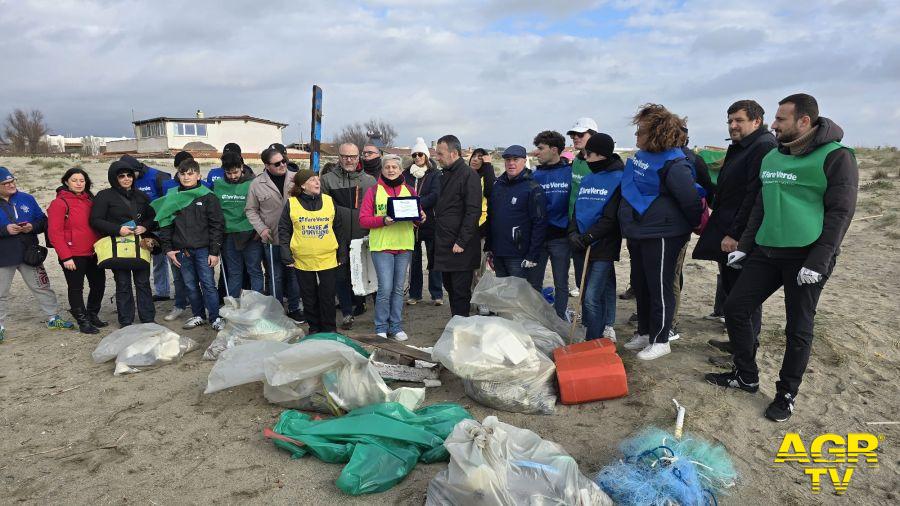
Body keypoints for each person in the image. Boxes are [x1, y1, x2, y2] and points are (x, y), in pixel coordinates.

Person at [706, 94, 858, 422]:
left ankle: (786, 393)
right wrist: (745, 245)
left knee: (798, 327)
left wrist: (819, 260)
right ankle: (746, 376)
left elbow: (840, 213)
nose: (773, 124)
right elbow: (761, 204)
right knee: (735, 308)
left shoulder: (837, 157)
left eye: (780, 119)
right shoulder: (774, 156)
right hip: (766, 249)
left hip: (806, 255)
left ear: (804, 121)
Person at [693, 100, 777, 359]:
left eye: (738, 120)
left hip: (740, 234)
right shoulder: (741, 146)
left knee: (743, 296)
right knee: (732, 290)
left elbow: (754, 195)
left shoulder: (763, 147)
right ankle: (737, 342)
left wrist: (736, 235)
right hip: (727, 226)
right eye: (730, 121)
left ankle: (744, 351)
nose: (732, 126)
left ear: (756, 121)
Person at [618, 104, 702, 360]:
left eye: (641, 131)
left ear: (656, 133)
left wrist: (682, 227)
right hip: (641, 231)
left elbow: (690, 202)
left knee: (660, 287)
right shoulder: (643, 157)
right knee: (641, 285)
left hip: (664, 233)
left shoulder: (675, 163)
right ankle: (644, 331)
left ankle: (661, 339)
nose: (636, 136)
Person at [0, 167, 75, 341]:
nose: (11, 185)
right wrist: (4, 230)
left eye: (12, 181)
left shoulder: (27, 198)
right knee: (1, 292)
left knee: (42, 286)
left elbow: (43, 221)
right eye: (6, 183)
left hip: (29, 253)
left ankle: (53, 318)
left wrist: (31, 227)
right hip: (3, 256)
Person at [360, 154, 426, 340]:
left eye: (394, 167)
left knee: (398, 288)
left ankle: (396, 327)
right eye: (387, 167)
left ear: (400, 169)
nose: (391, 170)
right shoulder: (373, 191)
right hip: (382, 247)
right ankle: (381, 326)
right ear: (382, 169)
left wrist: (421, 218)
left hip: (404, 245)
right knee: (385, 287)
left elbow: (417, 217)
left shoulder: (410, 191)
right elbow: (363, 219)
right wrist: (383, 220)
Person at [153, 159, 225, 330]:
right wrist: (168, 249)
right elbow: (165, 224)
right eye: (182, 173)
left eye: (190, 173)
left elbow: (217, 225)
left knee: (207, 284)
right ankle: (198, 315)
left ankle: (215, 317)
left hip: (203, 250)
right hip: (181, 250)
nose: (186, 177)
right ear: (178, 175)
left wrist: (214, 251)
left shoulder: (208, 197)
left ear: (199, 175)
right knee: (190, 285)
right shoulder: (172, 196)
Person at [568, 134, 624, 341]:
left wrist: (588, 237)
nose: (586, 158)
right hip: (581, 243)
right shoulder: (588, 178)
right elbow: (577, 208)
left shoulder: (619, 178)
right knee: (586, 295)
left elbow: (610, 219)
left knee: (592, 297)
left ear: (600, 154)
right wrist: (573, 233)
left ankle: (595, 339)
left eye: (588, 154)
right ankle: (595, 335)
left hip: (602, 246)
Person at [90, 161, 158, 327]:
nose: (126, 179)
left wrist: (145, 227)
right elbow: (95, 220)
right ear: (114, 178)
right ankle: (126, 320)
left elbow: (153, 217)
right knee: (123, 283)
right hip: (118, 246)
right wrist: (117, 229)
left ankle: (148, 318)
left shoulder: (141, 196)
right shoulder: (104, 196)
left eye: (129, 175)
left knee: (143, 282)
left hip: (140, 245)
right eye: (121, 176)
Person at [278, 170, 345, 334]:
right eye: (312, 180)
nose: (317, 182)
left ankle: (329, 329)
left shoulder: (329, 201)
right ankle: (314, 328)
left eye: (318, 179)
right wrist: (286, 253)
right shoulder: (292, 204)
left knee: (327, 295)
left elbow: (339, 228)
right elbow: (284, 230)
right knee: (309, 296)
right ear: (302, 185)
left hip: (328, 258)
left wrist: (342, 252)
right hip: (303, 259)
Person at [320, 142, 377, 328]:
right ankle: (346, 312)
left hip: (363, 235)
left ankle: (360, 304)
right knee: (341, 275)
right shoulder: (327, 180)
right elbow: (322, 209)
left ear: (358, 157)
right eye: (345, 156)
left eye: (352, 156)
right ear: (339, 157)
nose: (349, 160)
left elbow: (377, 208)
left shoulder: (369, 181)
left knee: (361, 272)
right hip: (337, 235)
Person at [245, 147, 303, 321]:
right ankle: (277, 311)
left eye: (284, 161)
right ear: (267, 165)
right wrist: (261, 228)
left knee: (294, 275)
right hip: (272, 237)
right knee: (275, 275)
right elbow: (250, 210)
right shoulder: (256, 184)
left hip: (295, 236)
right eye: (277, 163)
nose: (283, 165)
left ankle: (294, 308)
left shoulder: (296, 178)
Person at [47, 168, 106, 334]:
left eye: (82, 180)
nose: (79, 183)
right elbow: (54, 233)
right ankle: (82, 321)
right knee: (76, 288)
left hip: (93, 252)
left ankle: (92, 314)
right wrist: (66, 257)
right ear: (66, 182)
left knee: (98, 284)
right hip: (72, 254)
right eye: (74, 180)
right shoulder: (59, 203)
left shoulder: (90, 200)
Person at [433, 135, 482, 317]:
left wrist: (462, 241)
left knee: (461, 292)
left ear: (453, 153)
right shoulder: (444, 175)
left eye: (440, 153)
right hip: (445, 243)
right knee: (450, 288)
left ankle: (461, 328)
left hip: (460, 247)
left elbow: (473, 211)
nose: (437, 157)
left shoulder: (469, 175)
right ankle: (456, 325)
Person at [484, 145, 547, 287]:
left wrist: (533, 254)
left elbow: (540, 223)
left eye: (515, 159)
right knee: (505, 296)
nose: (511, 163)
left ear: (524, 161)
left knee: (520, 297)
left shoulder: (532, 188)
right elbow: (491, 217)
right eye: (508, 159)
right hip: (499, 251)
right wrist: (489, 247)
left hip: (519, 254)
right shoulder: (498, 185)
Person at [529, 130, 572, 319]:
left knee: (561, 283)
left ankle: (560, 317)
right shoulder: (533, 176)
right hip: (538, 238)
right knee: (534, 283)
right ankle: (537, 319)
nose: (536, 152)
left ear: (554, 150)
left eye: (540, 148)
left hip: (561, 238)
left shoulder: (570, 173)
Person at [120, 155, 173, 303]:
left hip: (162, 225)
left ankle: (184, 292)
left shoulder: (158, 177)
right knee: (157, 259)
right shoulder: (130, 181)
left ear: (137, 169)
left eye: (131, 174)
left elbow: (169, 201)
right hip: (144, 227)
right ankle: (162, 291)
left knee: (172, 259)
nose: (129, 178)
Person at [214, 152, 264, 297]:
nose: (232, 176)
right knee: (234, 272)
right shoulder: (218, 185)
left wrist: (258, 231)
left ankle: (256, 306)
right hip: (229, 235)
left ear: (242, 167)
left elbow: (261, 208)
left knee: (254, 270)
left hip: (251, 235)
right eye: (228, 173)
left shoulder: (253, 183)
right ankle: (233, 306)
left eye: (235, 172)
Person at [403, 137, 443, 306]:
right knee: (415, 260)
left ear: (426, 156)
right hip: (412, 223)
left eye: (420, 154)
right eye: (415, 155)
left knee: (434, 259)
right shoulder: (406, 174)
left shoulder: (434, 174)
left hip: (431, 220)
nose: (417, 157)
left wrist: (416, 204)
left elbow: (435, 194)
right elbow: (402, 193)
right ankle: (415, 293)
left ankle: (437, 293)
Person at [566, 117, 599, 297]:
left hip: (596, 227)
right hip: (575, 225)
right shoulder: (577, 161)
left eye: (580, 134)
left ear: (593, 135)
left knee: (600, 278)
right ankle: (587, 319)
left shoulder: (599, 162)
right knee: (581, 277)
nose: (575, 137)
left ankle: (607, 324)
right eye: (573, 135)